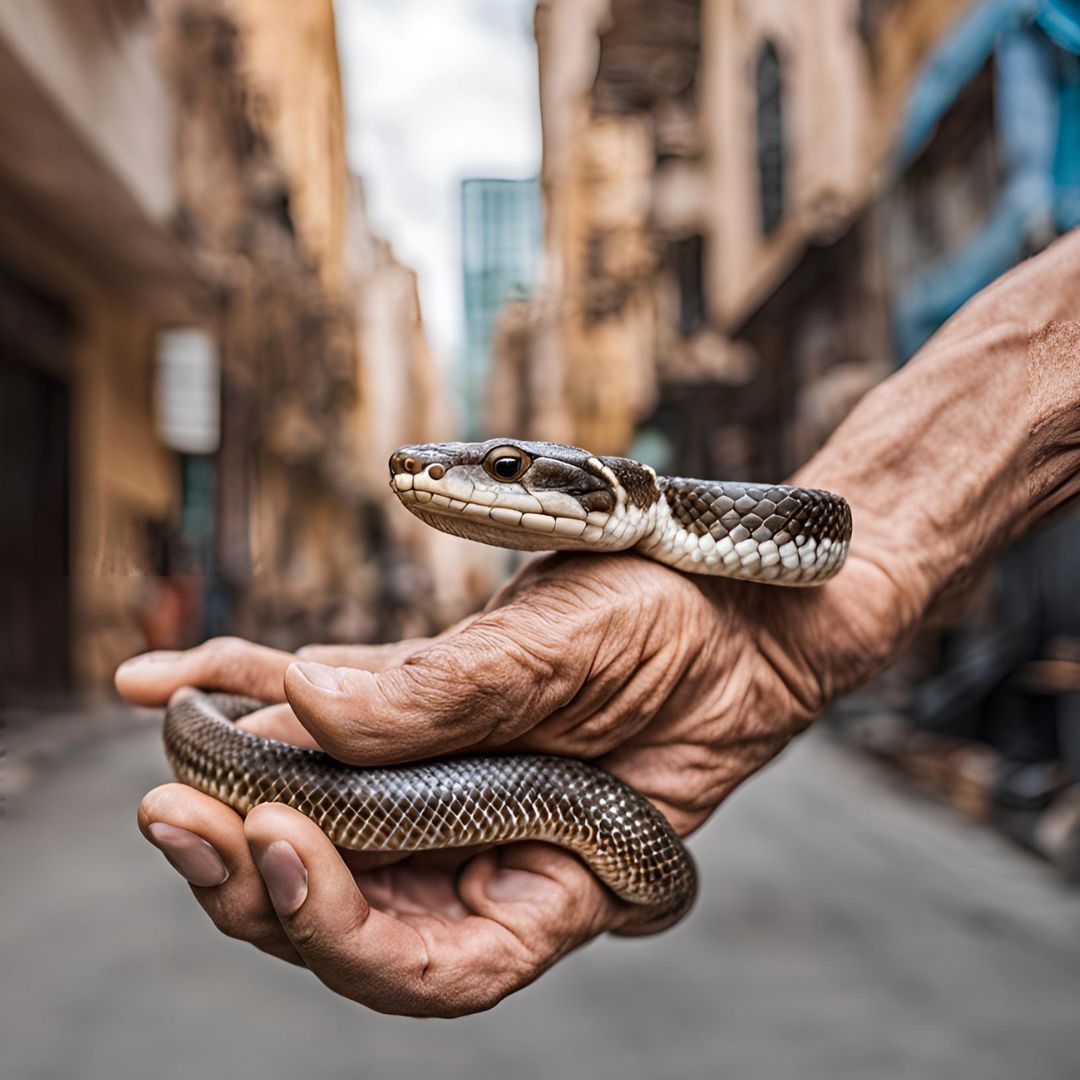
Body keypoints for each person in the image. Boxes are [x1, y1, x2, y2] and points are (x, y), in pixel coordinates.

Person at [116, 229, 1080, 1017]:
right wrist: (761, 661)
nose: (437, 472)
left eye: (500, 469)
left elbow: (843, 544)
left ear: (611, 490)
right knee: (239, 759)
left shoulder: (722, 518)